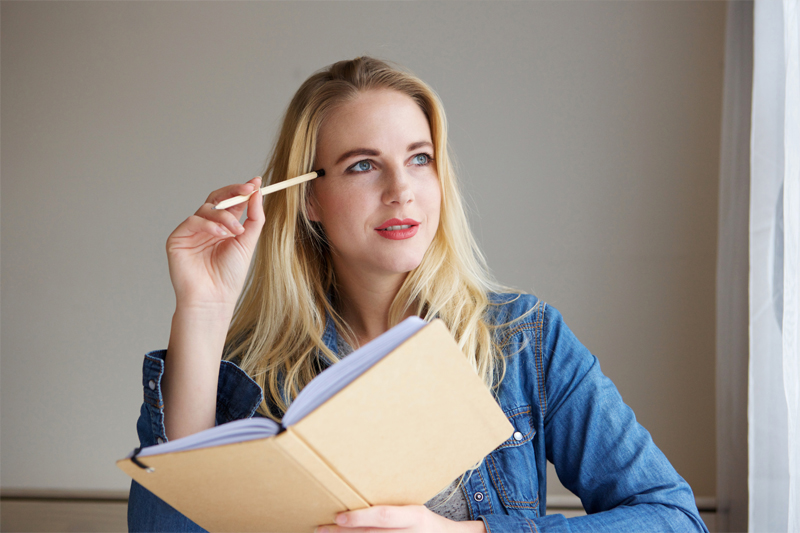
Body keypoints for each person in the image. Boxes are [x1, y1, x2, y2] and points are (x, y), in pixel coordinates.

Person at [128, 57, 708, 533]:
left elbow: (675, 519)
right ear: (308, 199)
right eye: (362, 166)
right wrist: (202, 314)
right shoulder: (243, 373)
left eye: (420, 159)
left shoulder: (526, 343)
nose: (401, 190)